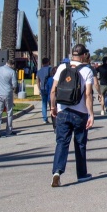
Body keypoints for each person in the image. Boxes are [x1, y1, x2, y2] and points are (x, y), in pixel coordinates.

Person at [50, 44, 96, 187]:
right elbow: (88, 94)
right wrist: (91, 114)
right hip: (80, 112)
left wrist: (53, 107)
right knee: (80, 143)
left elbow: (53, 90)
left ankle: (57, 172)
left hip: (63, 111)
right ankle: (82, 174)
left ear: (72, 54)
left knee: (62, 142)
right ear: (83, 56)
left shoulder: (62, 68)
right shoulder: (87, 70)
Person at [0, 58, 17, 137]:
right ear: (12, 65)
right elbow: (14, 85)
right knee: (9, 112)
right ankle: (9, 131)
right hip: (8, 93)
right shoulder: (12, 72)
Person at [36, 57, 54, 123]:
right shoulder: (50, 69)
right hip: (49, 88)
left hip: (42, 89)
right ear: (48, 62)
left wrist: (39, 89)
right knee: (51, 103)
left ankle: (44, 118)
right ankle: (53, 116)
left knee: (44, 104)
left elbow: (37, 81)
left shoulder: (39, 71)